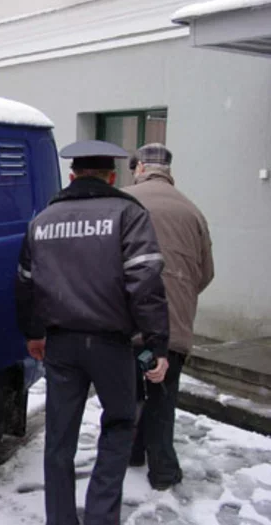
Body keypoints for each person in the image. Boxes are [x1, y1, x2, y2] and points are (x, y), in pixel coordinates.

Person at [15, 139, 170, 525]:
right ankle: (101, 516)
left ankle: (61, 519)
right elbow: (145, 283)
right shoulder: (128, 214)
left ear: (72, 177)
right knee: (119, 425)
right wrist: (156, 343)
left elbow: (25, 283)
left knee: (59, 440)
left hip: (60, 344)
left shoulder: (42, 220)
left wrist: (33, 333)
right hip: (111, 345)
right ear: (112, 177)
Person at [123, 143, 215, 490]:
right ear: (168, 170)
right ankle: (162, 472)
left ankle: (132, 453)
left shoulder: (122, 201)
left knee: (129, 393)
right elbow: (205, 273)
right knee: (162, 397)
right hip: (172, 323)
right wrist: (180, 296)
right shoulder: (192, 211)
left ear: (140, 168)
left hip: (128, 318)